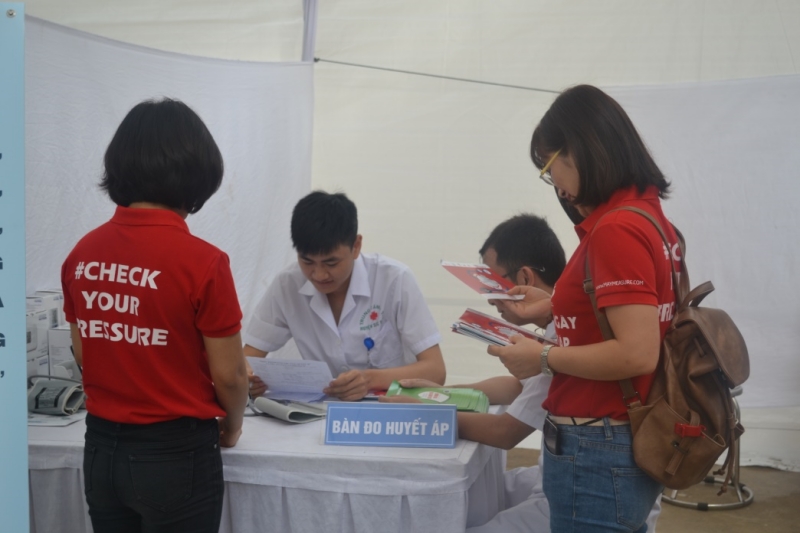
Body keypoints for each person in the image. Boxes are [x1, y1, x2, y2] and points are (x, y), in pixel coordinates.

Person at [487, 84, 680, 532]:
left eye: (549, 167)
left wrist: (542, 356)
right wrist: (552, 307)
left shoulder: (616, 229)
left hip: (597, 442)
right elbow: (623, 319)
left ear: (582, 150)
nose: (554, 184)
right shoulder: (647, 216)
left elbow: (636, 352)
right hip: (615, 436)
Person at [61, 99, 249, 533]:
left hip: (101, 448)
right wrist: (232, 425)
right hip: (175, 452)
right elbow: (231, 375)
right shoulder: (204, 262)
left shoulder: (82, 254)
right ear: (200, 174)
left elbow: (86, 353)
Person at [244, 191, 446, 401]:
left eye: (331, 263)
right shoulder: (287, 284)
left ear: (356, 246)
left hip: (390, 407)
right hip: (322, 410)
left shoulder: (394, 279)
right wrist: (249, 379)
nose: (319, 275)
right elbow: (246, 359)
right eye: (307, 262)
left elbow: (435, 370)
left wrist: (369, 379)